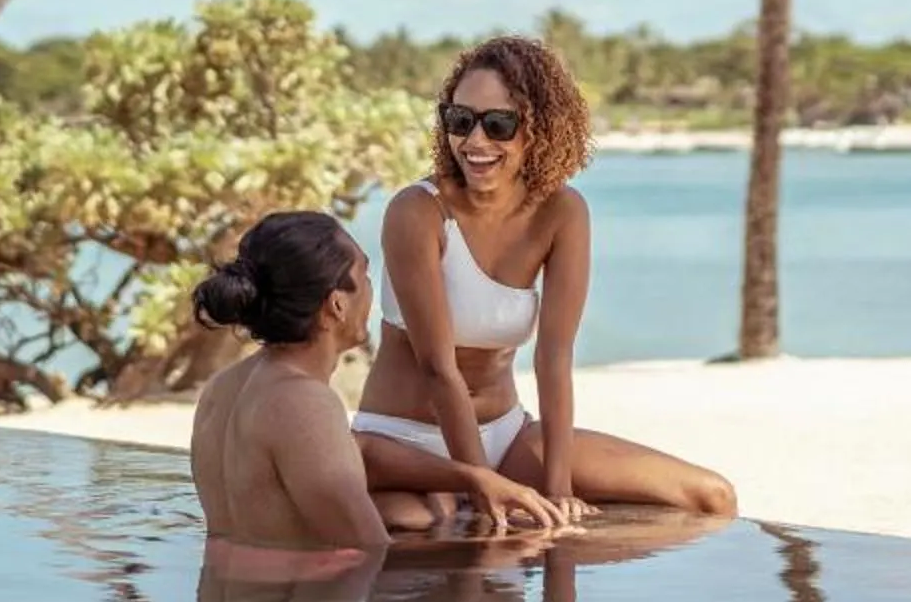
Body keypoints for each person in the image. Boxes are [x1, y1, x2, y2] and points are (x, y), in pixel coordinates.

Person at [352, 36, 739, 526]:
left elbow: (554, 357)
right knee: (430, 520)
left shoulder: (562, 212)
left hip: (506, 434)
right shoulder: (418, 211)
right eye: (460, 120)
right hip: (406, 440)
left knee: (711, 496)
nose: (475, 142)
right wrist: (481, 482)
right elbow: (437, 367)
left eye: (498, 125)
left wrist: (559, 489)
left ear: (538, 129)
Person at [189, 210, 401, 552]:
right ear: (337, 304)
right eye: (366, 274)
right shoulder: (304, 402)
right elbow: (372, 552)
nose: (371, 290)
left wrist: (471, 478)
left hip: (236, 601)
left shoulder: (222, 387)